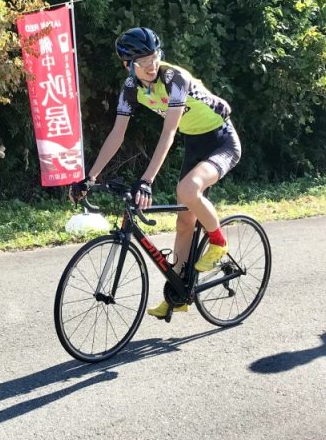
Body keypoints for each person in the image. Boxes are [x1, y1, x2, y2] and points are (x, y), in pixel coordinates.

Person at [71, 26, 241, 317]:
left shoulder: (175, 78)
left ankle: (218, 241)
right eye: (142, 61)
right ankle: (179, 294)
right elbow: (117, 134)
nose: (151, 65)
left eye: (154, 56)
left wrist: (146, 180)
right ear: (127, 65)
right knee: (184, 222)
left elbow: (169, 132)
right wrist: (90, 177)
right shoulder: (130, 89)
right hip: (195, 143)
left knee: (187, 190)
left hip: (221, 139)